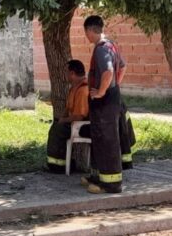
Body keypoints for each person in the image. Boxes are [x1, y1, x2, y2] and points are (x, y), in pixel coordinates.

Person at [82, 15, 125, 193]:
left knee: (107, 140)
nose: (86, 36)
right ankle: (100, 176)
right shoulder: (111, 45)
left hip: (105, 101)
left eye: (86, 32)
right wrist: (114, 86)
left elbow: (108, 71)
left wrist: (101, 91)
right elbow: (122, 67)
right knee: (100, 138)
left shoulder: (101, 49)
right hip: (111, 97)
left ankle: (111, 184)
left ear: (90, 30)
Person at [45, 60, 90, 173]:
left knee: (58, 130)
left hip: (82, 126)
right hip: (73, 123)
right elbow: (68, 108)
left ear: (72, 73)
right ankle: (57, 163)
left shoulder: (83, 90)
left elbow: (79, 116)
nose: (65, 75)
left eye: (67, 72)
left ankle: (59, 166)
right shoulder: (74, 88)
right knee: (56, 126)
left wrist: (64, 120)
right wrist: (61, 118)